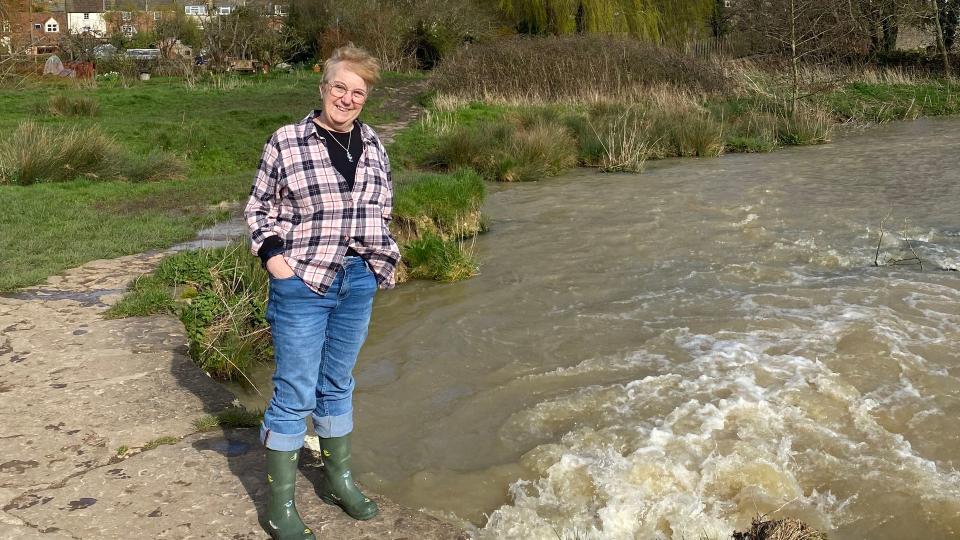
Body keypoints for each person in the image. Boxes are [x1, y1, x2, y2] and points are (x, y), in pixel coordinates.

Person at [244, 45, 400, 540]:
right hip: (303, 280)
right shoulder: (287, 141)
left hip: (358, 279)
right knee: (294, 391)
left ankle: (339, 480)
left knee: (339, 383)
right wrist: (274, 259)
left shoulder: (373, 143)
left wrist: (378, 261)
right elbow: (258, 208)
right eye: (340, 87)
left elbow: (383, 207)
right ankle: (280, 507)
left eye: (358, 92)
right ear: (323, 88)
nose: (348, 98)